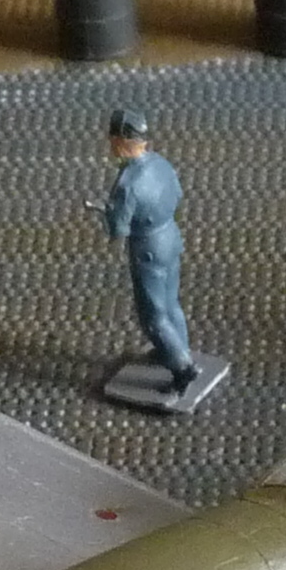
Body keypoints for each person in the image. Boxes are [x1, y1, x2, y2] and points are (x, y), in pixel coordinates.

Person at [97, 108, 196, 393]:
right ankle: (178, 347)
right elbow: (177, 194)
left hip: (147, 249)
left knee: (152, 316)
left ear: (120, 142)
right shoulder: (161, 163)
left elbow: (118, 230)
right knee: (171, 302)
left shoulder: (127, 184)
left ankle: (182, 368)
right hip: (170, 236)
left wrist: (107, 213)